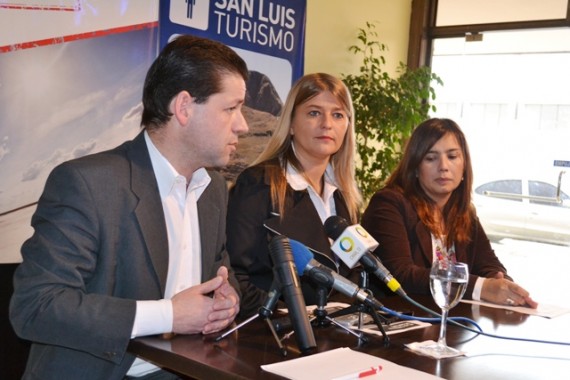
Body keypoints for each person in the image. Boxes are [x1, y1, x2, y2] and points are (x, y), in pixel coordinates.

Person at [9, 35, 249, 380]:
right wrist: (169, 315)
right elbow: (37, 307)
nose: (242, 124)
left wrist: (227, 303)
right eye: (231, 108)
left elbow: (220, 276)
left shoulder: (212, 192)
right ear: (183, 107)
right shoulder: (88, 184)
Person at [361, 118, 538, 308]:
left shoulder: (463, 212)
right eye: (430, 158)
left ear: (464, 166)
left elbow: (488, 263)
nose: (443, 166)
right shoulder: (389, 203)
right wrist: (482, 287)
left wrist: (500, 282)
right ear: (415, 168)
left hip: (450, 324)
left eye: (452, 157)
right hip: (399, 322)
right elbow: (400, 275)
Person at [226, 73, 363, 318]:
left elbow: (352, 275)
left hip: (336, 332)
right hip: (273, 335)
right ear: (290, 123)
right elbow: (237, 277)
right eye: (313, 112)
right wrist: (292, 317)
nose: (327, 124)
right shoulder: (258, 184)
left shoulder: (346, 198)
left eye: (338, 114)